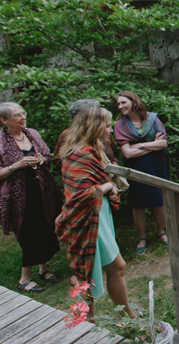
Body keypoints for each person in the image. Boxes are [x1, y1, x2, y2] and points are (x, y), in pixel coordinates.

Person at [56, 106, 135, 319]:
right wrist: (108, 187)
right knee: (91, 273)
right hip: (88, 219)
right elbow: (81, 195)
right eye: (107, 126)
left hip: (99, 215)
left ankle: (118, 316)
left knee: (104, 270)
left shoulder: (90, 148)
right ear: (94, 127)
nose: (110, 130)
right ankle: (88, 321)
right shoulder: (80, 153)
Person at [0, 102, 62, 293]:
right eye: (17, 115)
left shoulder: (32, 134)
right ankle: (24, 278)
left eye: (23, 113)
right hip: (18, 197)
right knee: (29, 234)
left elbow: (47, 155)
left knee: (46, 227)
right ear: (4, 120)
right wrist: (16, 165)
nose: (23, 117)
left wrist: (41, 159)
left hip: (42, 190)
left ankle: (43, 270)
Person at [114, 91, 169, 254]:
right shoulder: (120, 125)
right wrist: (152, 144)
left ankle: (161, 232)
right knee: (138, 204)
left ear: (133, 102)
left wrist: (140, 145)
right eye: (118, 104)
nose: (120, 106)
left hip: (157, 165)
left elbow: (163, 144)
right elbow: (127, 153)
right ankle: (142, 237)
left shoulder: (153, 119)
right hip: (135, 167)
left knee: (159, 200)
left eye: (123, 102)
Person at [54, 99, 119, 170]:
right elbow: (58, 161)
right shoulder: (68, 135)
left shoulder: (104, 132)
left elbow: (114, 154)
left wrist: (114, 165)